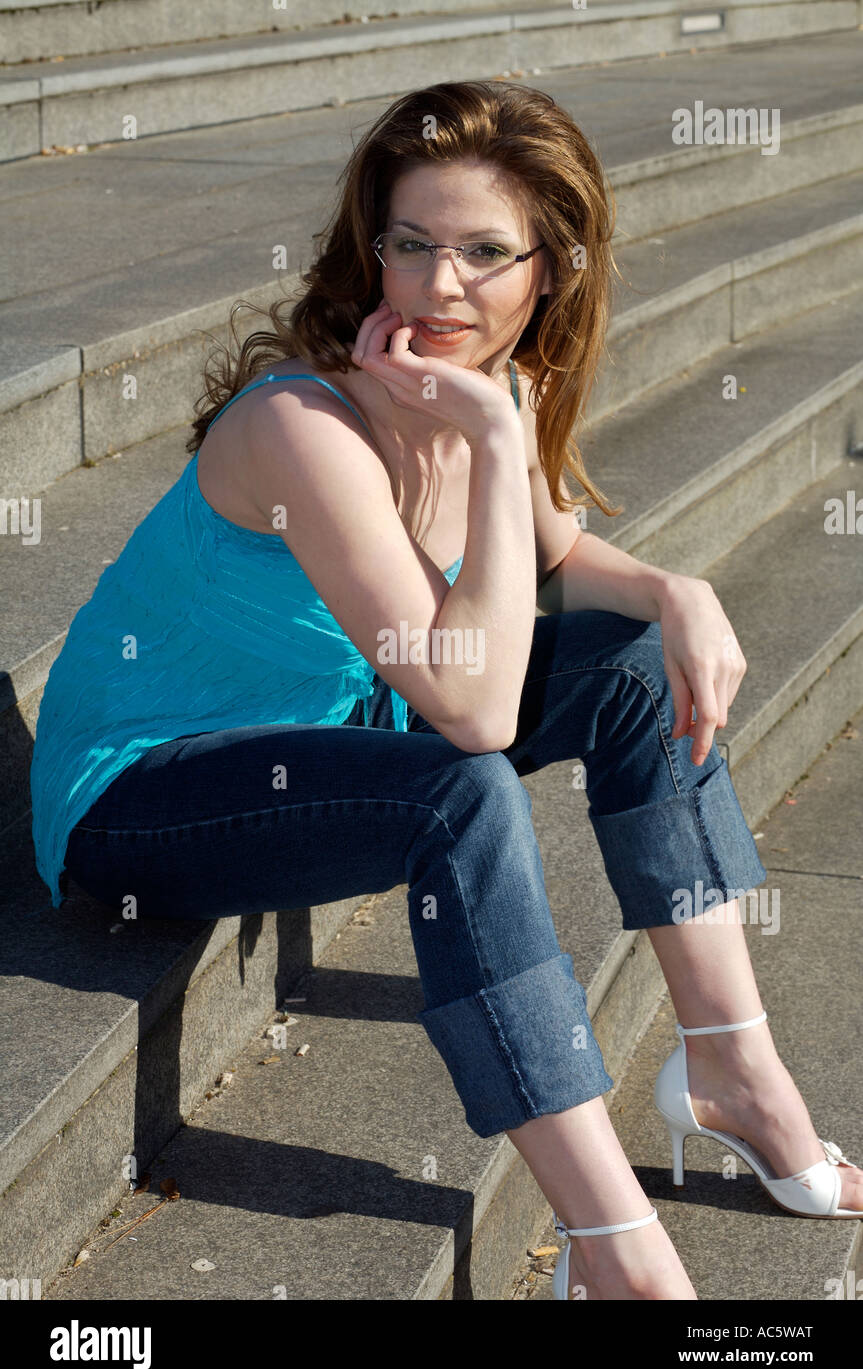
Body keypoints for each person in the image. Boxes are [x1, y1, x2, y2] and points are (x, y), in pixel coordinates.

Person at [29, 80, 862, 1300]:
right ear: (369, 246)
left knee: (635, 667)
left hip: (332, 720)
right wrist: (483, 441)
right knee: (455, 791)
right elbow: (471, 713)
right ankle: (612, 1245)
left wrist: (676, 589)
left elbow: (552, 555)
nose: (437, 287)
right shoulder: (305, 429)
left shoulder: (487, 386)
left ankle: (733, 1069)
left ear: (548, 272)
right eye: (410, 245)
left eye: (482, 253)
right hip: (148, 798)